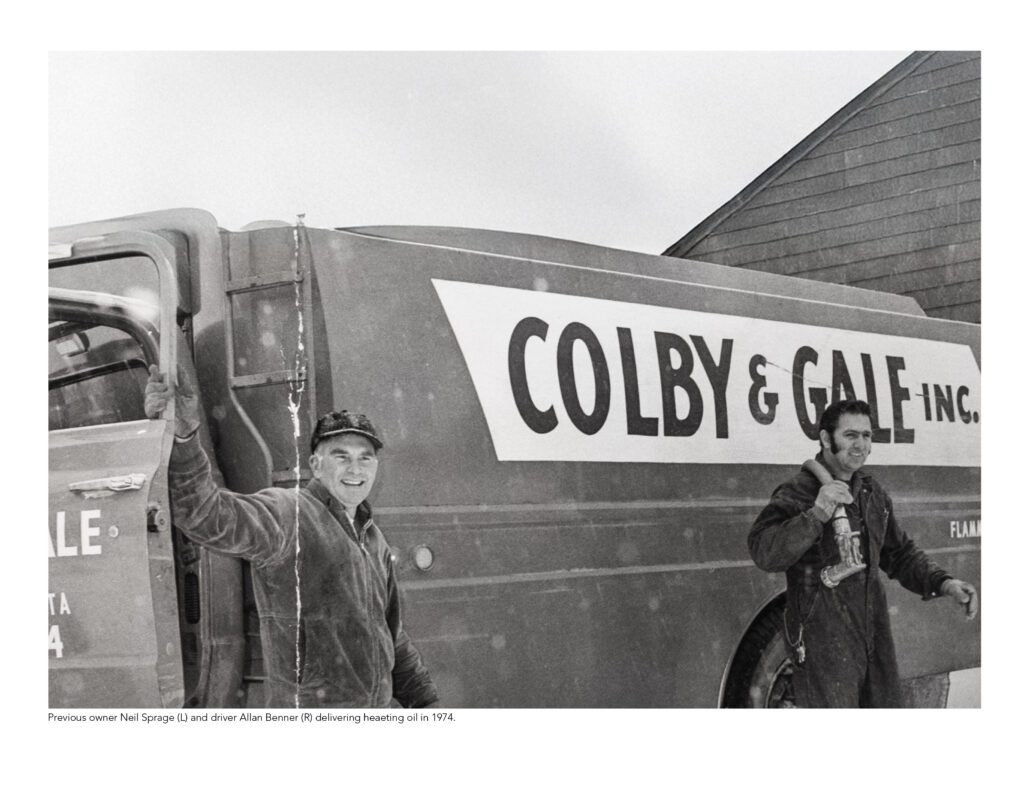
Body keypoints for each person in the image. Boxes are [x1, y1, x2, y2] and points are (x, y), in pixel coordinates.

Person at [145, 365, 439, 709]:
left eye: (365, 459)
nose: (355, 470)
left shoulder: (373, 539)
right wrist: (184, 438)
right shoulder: (288, 515)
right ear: (315, 465)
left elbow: (392, 636)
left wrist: (426, 703)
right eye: (341, 457)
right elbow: (204, 515)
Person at [748, 398, 978, 707]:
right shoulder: (799, 492)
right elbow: (765, 551)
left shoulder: (870, 493)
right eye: (851, 435)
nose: (861, 445)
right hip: (823, 644)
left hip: (873, 639)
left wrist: (943, 583)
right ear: (826, 439)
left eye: (867, 436)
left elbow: (900, 554)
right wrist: (816, 514)